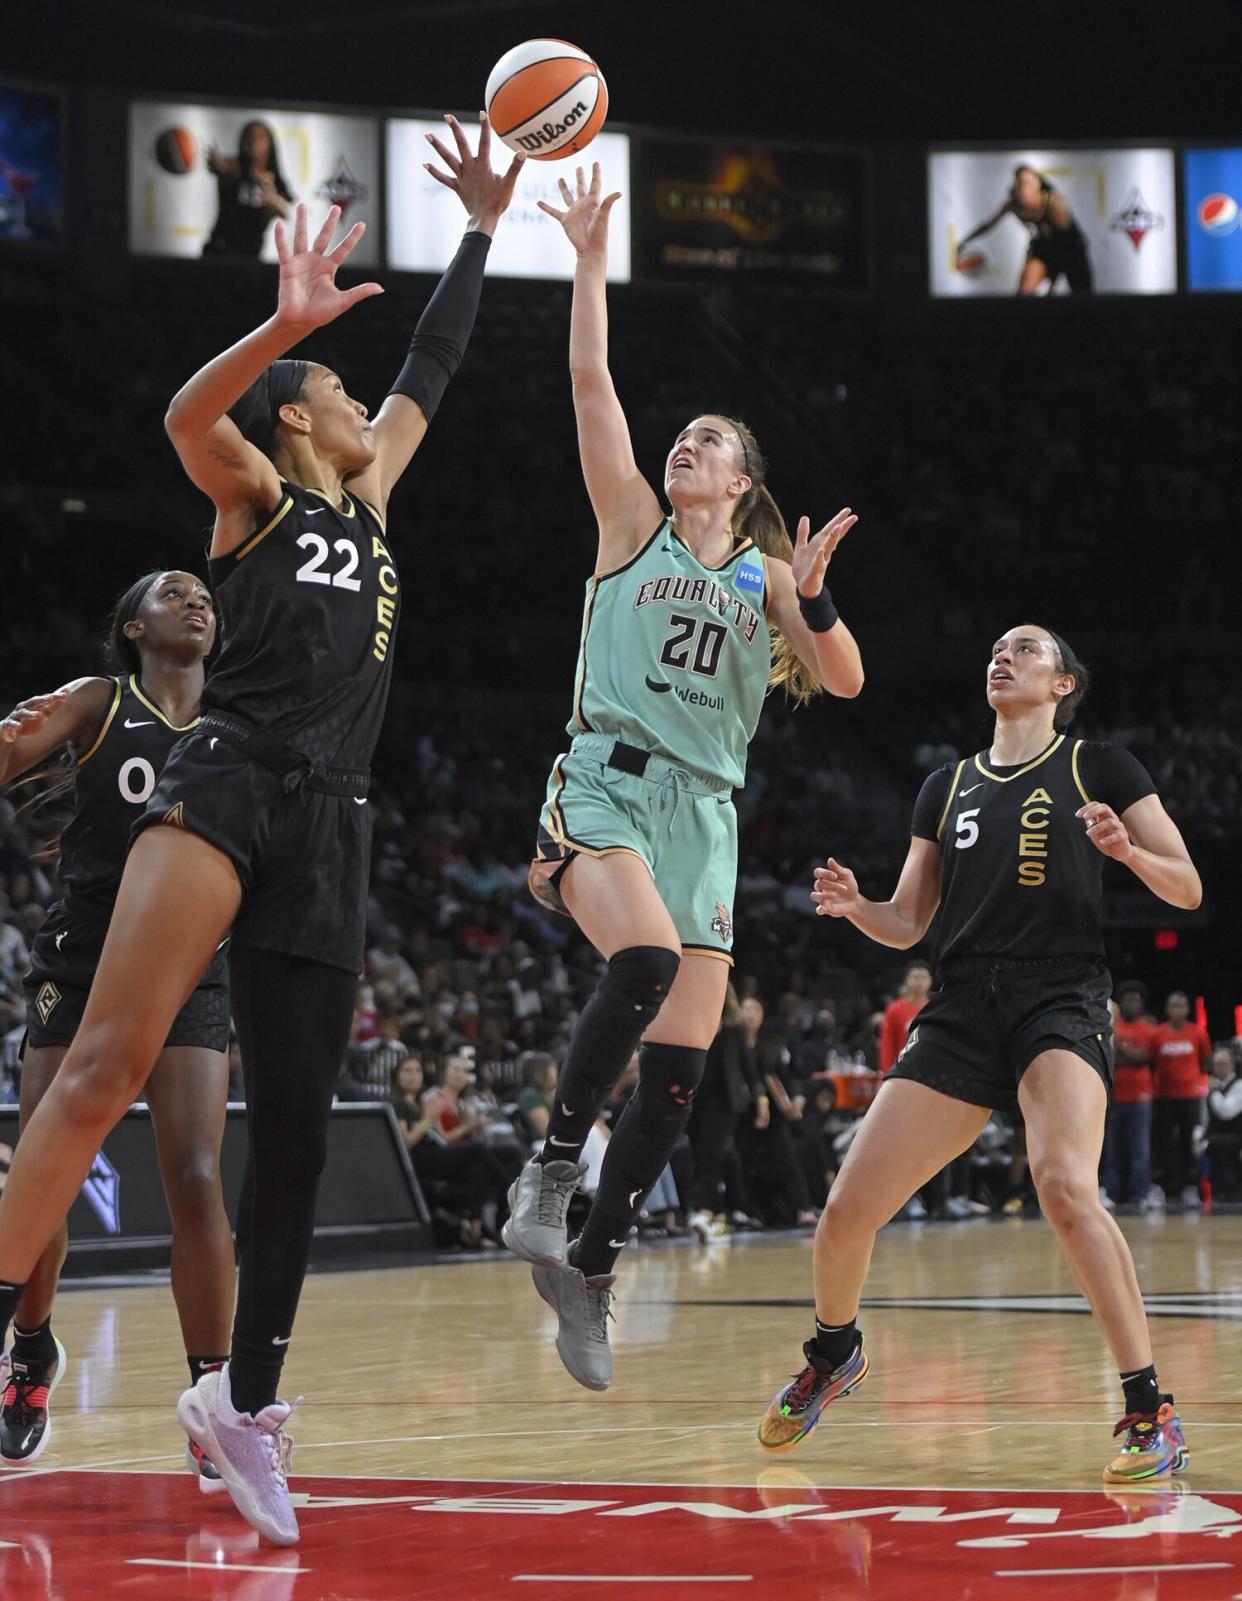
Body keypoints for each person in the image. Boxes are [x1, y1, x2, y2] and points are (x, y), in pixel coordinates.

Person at [0, 115, 522, 1546]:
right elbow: (185, 419)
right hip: (227, 785)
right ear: (299, 416)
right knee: (101, 1068)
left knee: (287, 1138)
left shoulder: (377, 490)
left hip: (336, 826)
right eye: (337, 388)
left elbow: (437, 363)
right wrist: (279, 327)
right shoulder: (258, 493)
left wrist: (485, 224)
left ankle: (243, 1407)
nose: (366, 404)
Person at [501, 162, 864, 1392]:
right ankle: (551, 1166)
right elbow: (590, 381)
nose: (685, 443)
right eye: (685, 436)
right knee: (644, 964)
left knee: (682, 1069)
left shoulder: (764, 579)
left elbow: (851, 680)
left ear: (744, 482)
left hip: (705, 815)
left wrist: (808, 596)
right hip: (606, 782)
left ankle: (591, 1262)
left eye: (710, 441)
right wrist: (592, 258)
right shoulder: (627, 527)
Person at [758, 624, 1201, 1485]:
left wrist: (1127, 850)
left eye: (1027, 649)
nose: (1004, 656)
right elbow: (908, 923)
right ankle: (834, 1351)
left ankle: (1152, 1410)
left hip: (1060, 994)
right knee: (846, 1211)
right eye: (998, 648)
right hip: (959, 1005)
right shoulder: (946, 785)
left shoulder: (1101, 767)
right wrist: (859, 907)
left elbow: (1186, 884)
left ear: (1063, 682)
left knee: (1066, 1185)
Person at [0, 572, 232, 1480]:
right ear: (133, 626)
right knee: (43, 1171)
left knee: (198, 1176)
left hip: (190, 967)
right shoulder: (101, 702)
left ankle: (215, 1397)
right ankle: (31, 1347)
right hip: (83, 960)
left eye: (205, 591)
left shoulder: (239, 717)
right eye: (172, 592)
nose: (196, 598)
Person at [687, 985, 767, 1239]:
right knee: (702, 1153)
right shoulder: (695, 1020)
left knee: (713, 1153)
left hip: (725, 1102)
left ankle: (707, 1210)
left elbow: (748, 1066)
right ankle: (718, 1215)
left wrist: (761, 1098)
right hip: (696, 1098)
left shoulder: (735, 1028)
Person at [956, 164, 1093, 295]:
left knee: (1082, 293)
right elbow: (988, 225)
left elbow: (1066, 238)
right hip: (1042, 247)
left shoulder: (1053, 203)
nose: (1023, 189)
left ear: (1038, 186)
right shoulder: (1013, 205)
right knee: (1025, 292)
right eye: (1019, 184)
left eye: (1027, 184)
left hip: (1070, 249)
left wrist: (1051, 279)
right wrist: (966, 241)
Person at [1150, 991, 1211, 1208]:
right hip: (1164, 1097)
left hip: (1190, 1097)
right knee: (1163, 1144)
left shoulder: (1197, 1034)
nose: (1177, 1010)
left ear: (1187, 1010)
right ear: (1167, 1009)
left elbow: (1205, 1062)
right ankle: (1160, 1188)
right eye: (1173, 1006)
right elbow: (1152, 1062)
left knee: (1189, 1144)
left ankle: (1190, 1188)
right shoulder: (1158, 1035)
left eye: (1181, 1006)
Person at [1100, 983, 1157, 1209]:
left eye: (1136, 1000)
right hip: (1115, 1096)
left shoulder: (1148, 1029)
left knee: (1139, 1149)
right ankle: (1112, 1192)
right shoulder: (1114, 1025)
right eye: (1127, 1000)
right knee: (1113, 1149)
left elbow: (1144, 1057)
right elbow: (1110, 1059)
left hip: (1141, 1098)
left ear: (1142, 1004)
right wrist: (1126, 1055)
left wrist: (1123, 1053)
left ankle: (1140, 1193)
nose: (1131, 1004)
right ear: (1120, 1004)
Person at [203, 120, 294, 259]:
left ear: (270, 144)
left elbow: (286, 211)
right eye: (250, 137)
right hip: (219, 250)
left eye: (260, 137)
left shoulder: (273, 181)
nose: (254, 142)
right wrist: (219, 166)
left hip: (250, 256)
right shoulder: (234, 169)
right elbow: (222, 166)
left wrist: (272, 200)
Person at [878, 959, 932, 1073]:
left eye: (924, 977)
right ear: (907, 979)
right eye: (916, 977)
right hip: (903, 1071)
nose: (920, 982)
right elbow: (887, 1044)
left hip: (929, 1071)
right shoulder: (895, 1009)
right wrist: (887, 1073)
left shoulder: (935, 1008)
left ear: (931, 980)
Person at [1206, 1044, 1242, 1202]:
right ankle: (1217, 1194)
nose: (1219, 1068)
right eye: (1216, 1064)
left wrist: (1214, 1092)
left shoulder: (1239, 1085)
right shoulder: (1213, 1086)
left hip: (1235, 1138)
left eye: (1223, 1064)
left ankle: (1231, 1197)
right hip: (1216, 1138)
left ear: (1231, 1065)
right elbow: (1206, 1116)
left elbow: (1226, 1112)